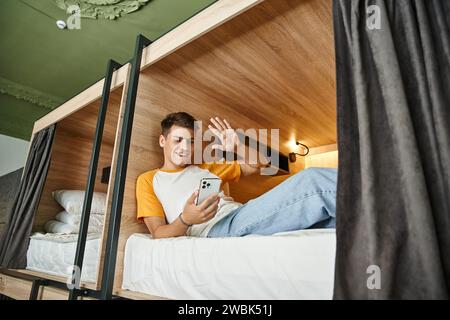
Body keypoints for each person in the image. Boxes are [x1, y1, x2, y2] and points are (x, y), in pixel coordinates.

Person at [136, 112, 337, 239]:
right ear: (163, 141)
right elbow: (158, 233)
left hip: (239, 214)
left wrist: (238, 145)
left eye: (191, 141)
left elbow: (258, 164)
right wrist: (186, 219)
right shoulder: (149, 180)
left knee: (331, 220)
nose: (185, 147)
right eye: (178, 140)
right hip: (217, 228)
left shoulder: (207, 167)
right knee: (312, 180)